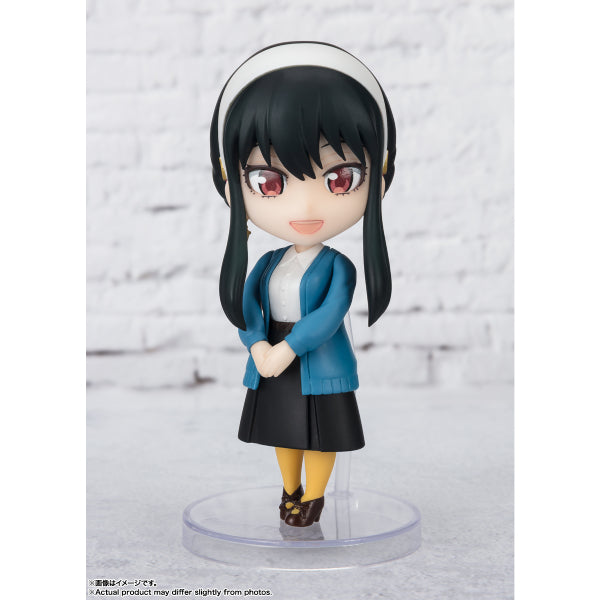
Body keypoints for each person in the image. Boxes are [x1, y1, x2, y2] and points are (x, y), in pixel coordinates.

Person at [209, 42, 396, 527]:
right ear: (230, 182)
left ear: (379, 175)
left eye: (340, 179)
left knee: (321, 435)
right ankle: (289, 489)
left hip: (317, 360)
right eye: (269, 182)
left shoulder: (338, 267)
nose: (306, 208)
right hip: (270, 357)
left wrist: (288, 349)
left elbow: (329, 316)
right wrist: (257, 346)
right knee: (283, 431)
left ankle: (313, 497)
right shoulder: (268, 262)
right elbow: (248, 307)